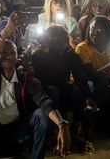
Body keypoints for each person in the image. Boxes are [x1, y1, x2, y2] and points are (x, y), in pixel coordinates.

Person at [0, 11, 71, 159]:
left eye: (12, 52)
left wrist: (61, 123)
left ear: (17, 56)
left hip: (17, 132)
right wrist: (8, 29)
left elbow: (43, 100)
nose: (8, 56)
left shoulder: (24, 78)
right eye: (3, 52)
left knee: (41, 115)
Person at [30, 25, 96, 153]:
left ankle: (88, 138)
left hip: (64, 89)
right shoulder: (39, 54)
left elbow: (79, 77)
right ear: (50, 41)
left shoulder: (69, 54)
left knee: (80, 93)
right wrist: (46, 51)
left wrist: (88, 96)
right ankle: (55, 136)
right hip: (45, 93)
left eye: (64, 41)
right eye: (58, 42)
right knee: (53, 90)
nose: (62, 45)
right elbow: (39, 79)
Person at [75, 16, 110, 136]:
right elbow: (90, 75)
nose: (95, 33)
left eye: (100, 30)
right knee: (102, 87)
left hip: (108, 80)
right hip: (88, 83)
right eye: (93, 29)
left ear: (108, 32)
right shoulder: (83, 48)